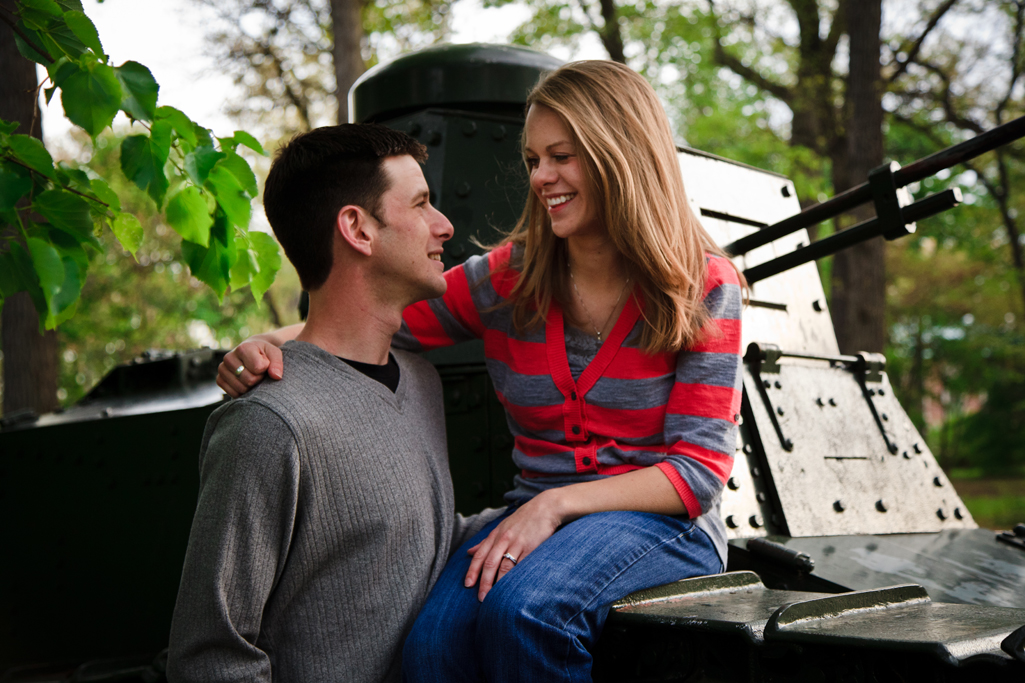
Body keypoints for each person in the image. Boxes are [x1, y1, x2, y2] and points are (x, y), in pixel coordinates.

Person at [222, 60, 744, 682]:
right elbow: (373, 321)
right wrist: (263, 342)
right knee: (430, 649)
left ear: (620, 155)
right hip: (533, 518)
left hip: (666, 527)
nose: (541, 178)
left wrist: (554, 506)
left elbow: (697, 471)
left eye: (561, 157)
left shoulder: (704, 286)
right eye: (532, 160)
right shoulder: (509, 279)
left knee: (529, 614)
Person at [167, 124, 500, 683]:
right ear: (358, 229)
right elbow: (210, 657)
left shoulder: (419, 382)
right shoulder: (268, 422)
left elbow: (422, 545)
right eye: (420, 204)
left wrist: (562, 507)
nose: (444, 226)